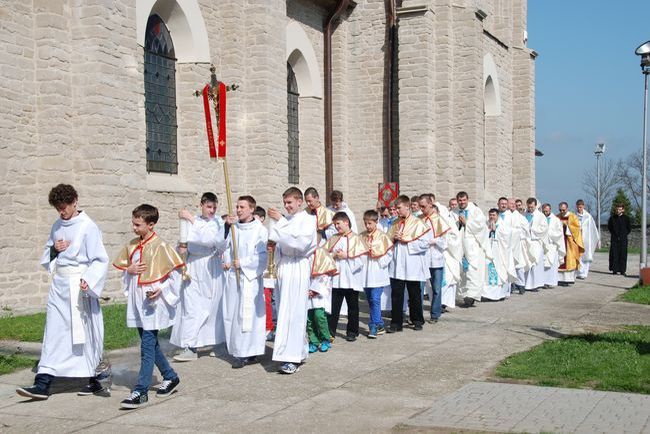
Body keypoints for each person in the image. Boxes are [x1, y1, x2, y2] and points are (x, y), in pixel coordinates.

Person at [16, 184, 109, 400]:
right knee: (54, 333)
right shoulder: (57, 226)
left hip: (80, 287)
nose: (61, 211)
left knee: (84, 334)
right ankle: (43, 382)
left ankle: (94, 377)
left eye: (64, 206)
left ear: (75, 201)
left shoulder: (88, 226)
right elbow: (47, 255)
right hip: (59, 288)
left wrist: (89, 280)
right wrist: (54, 250)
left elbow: (100, 259)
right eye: (58, 207)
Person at [113, 204, 183, 409]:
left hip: (153, 301)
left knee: (146, 345)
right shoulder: (133, 245)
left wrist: (161, 288)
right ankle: (170, 376)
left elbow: (176, 274)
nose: (134, 228)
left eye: (138, 224)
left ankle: (141, 390)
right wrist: (130, 269)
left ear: (151, 224)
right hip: (137, 300)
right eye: (133, 223)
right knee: (149, 342)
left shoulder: (161, 246)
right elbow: (127, 270)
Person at [171, 193, 228, 362]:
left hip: (211, 266)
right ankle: (190, 345)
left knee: (213, 305)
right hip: (194, 265)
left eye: (214, 207)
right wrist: (182, 249)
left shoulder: (218, 222)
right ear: (201, 205)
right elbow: (184, 241)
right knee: (192, 305)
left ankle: (218, 343)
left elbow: (210, 240)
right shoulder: (192, 221)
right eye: (209, 207)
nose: (212, 210)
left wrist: (190, 218)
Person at [268, 187, 318, 374]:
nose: (286, 206)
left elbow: (300, 242)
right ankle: (295, 351)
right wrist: (273, 246)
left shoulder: (308, 220)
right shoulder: (286, 220)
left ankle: (292, 358)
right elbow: (281, 240)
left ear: (299, 202)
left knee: (295, 312)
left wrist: (280, 221)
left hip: (298, 266)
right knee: (284, 312)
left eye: (289, 202)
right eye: (285, 203)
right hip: (284, 267)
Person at [221, 196, 268, 368]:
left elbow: (262, 257)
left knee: (246, 317)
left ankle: (247, 352)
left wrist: (244, 263)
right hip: (233, 278)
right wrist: (227, 260)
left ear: (251, 209)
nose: (238, 210)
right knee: (232, 314)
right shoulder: (235, 228)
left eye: (242, 207)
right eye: (237, 206)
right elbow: (226, 248)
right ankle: (236, 349)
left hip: (249, 280)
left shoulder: (259, 230)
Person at [386, 195, 432, 332]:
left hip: (412, 263)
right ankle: (396, 323)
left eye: (399, 208)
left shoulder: (418, 223)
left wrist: (408, 240)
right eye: (395, 208)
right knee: (396, 294)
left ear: (407, 206)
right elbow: (387, 243)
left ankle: (417, 320)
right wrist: (393, 239)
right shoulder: (394, 223)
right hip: (398, 264)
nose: (397, 211)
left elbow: (425, 244)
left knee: (414, 294)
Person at [326, 212, 368, 342]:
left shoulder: (356, 238)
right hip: (337, 279)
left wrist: (347, 256)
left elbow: (362, 259)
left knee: (353, 307)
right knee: (334, 307)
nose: (336, 227)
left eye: (338, 223)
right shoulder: (334, 238)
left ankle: (352, 331)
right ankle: (330, 332)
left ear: (346, 222)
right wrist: (333, 255)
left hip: (351, 278)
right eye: (335, 224)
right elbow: (325, 254)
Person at [360, 209, 393, 338]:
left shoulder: (382, 236)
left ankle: (373, 326)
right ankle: (379, 323)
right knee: (370, 299)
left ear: (376, 222)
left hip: (377, 271)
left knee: (375, 298)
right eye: (366, 223)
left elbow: (389, 253)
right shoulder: (361, 236)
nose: (367, 226)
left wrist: (378, 258)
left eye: (370, 224)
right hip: (366, 272)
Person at [418, 194, 449, 322]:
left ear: (431, 205)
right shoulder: (418, 219)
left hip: (435, 257)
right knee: (419, 288)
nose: (421, 209)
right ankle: (418, 315)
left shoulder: (439, 220)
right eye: (420, 206)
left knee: (436, 288)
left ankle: (435, 313)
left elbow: (445, 242)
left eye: (424, 206)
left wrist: (435, 241)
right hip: (421, 258)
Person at [455, 191, 488, 307]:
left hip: (472, 245)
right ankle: (464, 295)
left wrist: (466, 223)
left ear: (467, 200)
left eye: (464, 200)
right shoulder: (455, 212)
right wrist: (458, 224)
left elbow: (481, 226)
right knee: (461, 269)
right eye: (460, 200)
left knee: (472, 269)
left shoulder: (475, 211)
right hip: (459, 245)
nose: (462, 202)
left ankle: (472, 295)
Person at [306, 246, 338, 352]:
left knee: (319, 316)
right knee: (309, 318)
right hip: (306, 290)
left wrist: (315, 290)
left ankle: (326, 339)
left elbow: (326, 274)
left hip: (319, 292)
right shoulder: (303, 252)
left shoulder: (322, 253)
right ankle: (313, 341)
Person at [483, 208, 513, 301]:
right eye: (490, 215)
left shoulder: (503, 225)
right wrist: (488, 231)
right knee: (487, 272)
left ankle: (499, 294)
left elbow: (507, 237)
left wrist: (496, 231)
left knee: (499, 272)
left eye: (494, 215)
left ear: (497, 216)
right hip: (488, 252)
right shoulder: (486, 224)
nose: (492, 217)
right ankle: (488, 295)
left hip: (499, 253)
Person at [523, 198, 549, 291]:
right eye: (529, 206)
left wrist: (531, 230)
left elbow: (544, 229)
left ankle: (535, 284)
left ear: (535, 205)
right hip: (527, 242)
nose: (530, 208)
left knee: (535, 264)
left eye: (532, 206)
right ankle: (527, 284)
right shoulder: (525, 214)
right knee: (527, 263)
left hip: (536, 242)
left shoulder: (540, 216)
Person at [557, 202, 584, 286]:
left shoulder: (572, 216)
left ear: (567, 208)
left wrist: (567, 225)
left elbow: (577, 228)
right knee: (560, 259)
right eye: (560, 210)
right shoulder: (557, 217)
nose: (562, 211)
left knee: (569, 260)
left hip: (569, 242)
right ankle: (559, 279)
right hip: (560, 241)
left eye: (563, 210)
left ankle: (568, 279)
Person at [541, 203, 565, 288]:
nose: (545, 213)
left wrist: (549, 234)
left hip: (552, 245)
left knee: (551, 264)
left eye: (546, 211)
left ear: (550, 210)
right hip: (543, 245)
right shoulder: (540, 218)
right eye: (543, 211)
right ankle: (543, 282)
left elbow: (559, 233)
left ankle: (551, 281)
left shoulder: (556, 220)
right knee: (543, 264)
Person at [508, 197, 529, 294]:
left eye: (514, 204)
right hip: (506, 244)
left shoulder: (521, 217)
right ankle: (510, 284)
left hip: (518, 244)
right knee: (508, 264)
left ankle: (521, 285)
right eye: (511, 203)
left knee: (519, 265)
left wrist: (515, 232)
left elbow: (525, 230)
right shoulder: (504, 216)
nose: (513, 205)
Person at [575, 199, 600, 279]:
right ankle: (579, 272)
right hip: (577, 239)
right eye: (578, 207)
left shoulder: (588, 217)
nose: (579, 209)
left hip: (586, 239)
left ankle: (584, 273)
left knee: (586, 255)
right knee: (578, 255)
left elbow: (592, 228)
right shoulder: (574, 216)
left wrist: (597, 239)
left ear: (583, 206)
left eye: (581, 207)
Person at [608, 203, 631, 275]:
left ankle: (622, 270)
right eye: (617, 209)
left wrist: (623, 235)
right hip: (614, 239)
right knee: (614, 254)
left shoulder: (626, 218)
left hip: (623, 239)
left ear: (623, 210)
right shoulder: (612, 218)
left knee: (623, 254)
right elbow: (610, 227)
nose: (618, 211)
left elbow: (629, 228)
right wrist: (614, 235)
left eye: (620, 209)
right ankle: (614, 270)